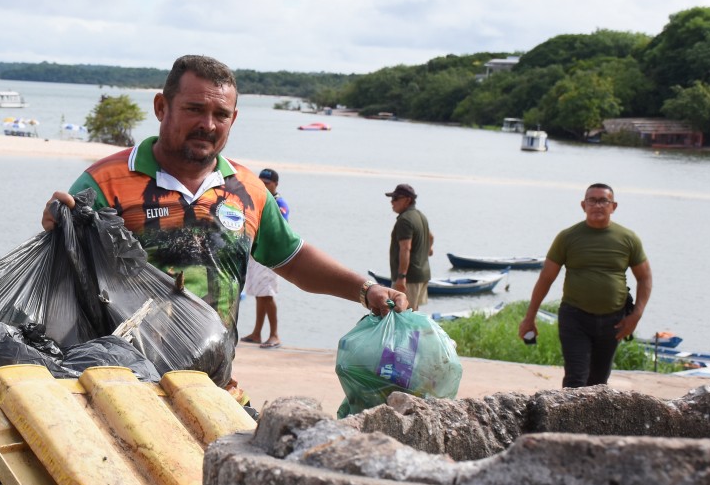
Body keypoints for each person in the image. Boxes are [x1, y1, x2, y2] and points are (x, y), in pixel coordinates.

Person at [42, 54, 406, 355]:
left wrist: (365, 289)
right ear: (161, 106)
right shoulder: (104, 182)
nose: (208, 125)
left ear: (234, 119)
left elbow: (293, 259)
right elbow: (59, 277)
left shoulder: (249, 191)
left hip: (213, 387)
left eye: (221, 115)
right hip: (118, 381)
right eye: (194, 109)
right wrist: (55, 228)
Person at [518, 183, 653, 388]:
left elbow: (645, 278)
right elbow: (546, 278)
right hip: (575, 318)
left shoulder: (628, 239)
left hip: (613, 321)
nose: (597, 205)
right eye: (592, 200)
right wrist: (529, 317)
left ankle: (594, 421)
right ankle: (566, 420)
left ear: (613, 206)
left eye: (603, 201)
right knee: (575, 378)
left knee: (598, 382)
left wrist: (636, 315)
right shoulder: (567, 237)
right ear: (583, 205)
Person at [240, 168, 289, 348]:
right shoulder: (260, 200)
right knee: (259, 294)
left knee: (267, 294)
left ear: (275, 184)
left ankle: (274, 335)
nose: (263, 186)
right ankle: (256, 333)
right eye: (260, 182)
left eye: (267, 183)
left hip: (270, 255)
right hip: (256, 253)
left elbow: (279, 228)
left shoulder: (279, 203)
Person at [386, 183, 433, 311]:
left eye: (396, 198)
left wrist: (401, 277)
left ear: (408, 200)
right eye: (391, 198)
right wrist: (428, 250)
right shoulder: (420, 216)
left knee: (402, 313)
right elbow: (431, 237)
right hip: (422, 275)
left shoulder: (405, 220)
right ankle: (416, 332)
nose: (392, 202)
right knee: (413, 312)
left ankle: (411, 332)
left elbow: (405, 248)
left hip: (409, 278)